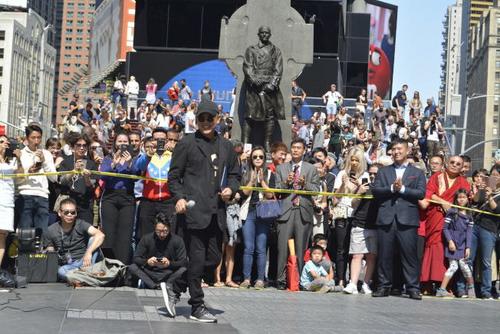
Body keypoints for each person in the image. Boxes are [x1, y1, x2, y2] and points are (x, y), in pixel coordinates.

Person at [169, 100, 241, 323]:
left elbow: (235, 174)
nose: (206, 122)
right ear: (196, 120)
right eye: (202, 118)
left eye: (210, 118)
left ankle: (177, 284)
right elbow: (173, 176)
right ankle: (196, 306)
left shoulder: (226, 146)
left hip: (216, 212)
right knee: (198, 259)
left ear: (217, 119)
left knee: (212, 259)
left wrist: (231, 188)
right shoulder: (187, 143)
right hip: (194, 211)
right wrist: (179, 198)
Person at [372, 138, 426, 300]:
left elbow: (421, 193)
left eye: (399, 149)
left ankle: (413, 288)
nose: (396, 152)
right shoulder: (383, 171)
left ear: (407, 150)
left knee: (410, 255)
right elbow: (376, 191)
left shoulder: (417, 173)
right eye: (393, 149)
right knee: (384, 255)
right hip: (386, 217)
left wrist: (402, 189)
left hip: (407, 219)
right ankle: (383, 286)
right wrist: (391, 188)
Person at [274, 138, 320, 290]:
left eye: (298, 148)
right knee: (282, 248)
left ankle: (298, 279)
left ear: (304, 150)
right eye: (293, 147)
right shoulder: (281, 168)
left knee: (301, 248)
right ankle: (280, 279)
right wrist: (286, 183)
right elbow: (276, 189)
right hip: (286, 211)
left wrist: (304, 184)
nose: (295, 150)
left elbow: (316, 190)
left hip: (303, 211)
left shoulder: (311, 169)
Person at [420, 156, 470, 292]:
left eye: (458, 164)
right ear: (447, 163)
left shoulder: (464, 183)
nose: (454, 165)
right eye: (452, 162)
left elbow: (465, 200)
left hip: (454, 221)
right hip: (436, 216)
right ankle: (427, 283)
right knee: (434, 247)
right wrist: (442, 201)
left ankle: (446, 285)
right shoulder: (437, 176)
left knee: (449, 251)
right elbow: (429, 192)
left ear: (462, 167)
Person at [129, 213, 187, 317]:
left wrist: (169, 263)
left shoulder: (177, 240)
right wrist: (147, 261)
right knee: (132, 267)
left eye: (165, 231)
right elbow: (136, 258)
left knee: (184, 269)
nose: (161, 234)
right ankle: (155, 286)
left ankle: (167, 285)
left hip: (169, 273)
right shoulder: (147, 238)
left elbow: (183, 261)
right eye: (158, 231)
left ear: (169, 228)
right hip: (150, 272)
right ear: (154, 228)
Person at [242, 26, 285, 151]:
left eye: (267, 33)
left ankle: (267, 143)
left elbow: (278, 69)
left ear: (270, 35)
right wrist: (254, 79)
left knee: (270, 116)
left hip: (269, 88)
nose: (265, 35)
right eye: (262, 33)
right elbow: (247, 66)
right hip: (254, 88)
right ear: (258, 34)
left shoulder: (276, 51)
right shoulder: (251, 50)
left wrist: (272, 84)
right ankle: (245, 144)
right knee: (249, 115)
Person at [331, 147, 368, 288]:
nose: (353, 163)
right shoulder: (341, 174)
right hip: (341, 213)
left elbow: (364, 197)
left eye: (356, 160)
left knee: (356, 251)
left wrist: (358, 188)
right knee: (341, 248)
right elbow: (334, 200)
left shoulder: (364, 175)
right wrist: (342, 185)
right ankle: (341, 279)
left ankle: (353, 279)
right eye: (351, 159)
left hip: (357, 215)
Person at [43, 198, 105, 281]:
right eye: (66, 212)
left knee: (94, 238)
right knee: (61, 271)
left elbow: (100, 235)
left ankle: (82, 275)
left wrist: (88, 252)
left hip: (86, 261)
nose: (70, 215)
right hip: (68, 265)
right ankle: (86, 276)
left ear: (76, 213)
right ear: (59, 213)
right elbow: (50, 252)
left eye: (73, 212)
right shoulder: (51, 230)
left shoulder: (81, 224)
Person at [239, 146, 275, 289]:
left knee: (261, 247)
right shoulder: (246, 173)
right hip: (248, 212)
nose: (258, 159)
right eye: (255, 157)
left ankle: (260, 279)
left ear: (264, 159)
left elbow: (270, 195)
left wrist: (262, 182)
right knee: (248, 247)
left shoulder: (270, 174)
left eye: (260, 157)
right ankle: (246, 278)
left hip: (264, 212)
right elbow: (244, 193)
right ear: (251, 159)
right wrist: (252, 181)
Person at [133, 128, 178, 238]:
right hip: (149, 201)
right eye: (156, 139)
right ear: (152, 140)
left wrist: (175, 151)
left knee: (169, 234)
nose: (159, 142)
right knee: (146, 234)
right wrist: (148, 156)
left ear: (167, 140)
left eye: (162, 139)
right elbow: (138, 167)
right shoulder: (146, 156)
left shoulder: (173, 155)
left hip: (168, 201)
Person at [343, 163, 380, 295]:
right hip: (359, 224)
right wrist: (359, 192)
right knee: (357, 255)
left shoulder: (383, 189)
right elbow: (353, 204)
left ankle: (366, 283)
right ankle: (353, 283)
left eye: (375, 174)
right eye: (371, 173)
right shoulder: (362, 186)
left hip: (375, 226)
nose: (372, 176)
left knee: (371, 256)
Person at [99, 133, 137, 264]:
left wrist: (129, 164)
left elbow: (136, 175)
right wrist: (114, 165)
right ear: (115, 143)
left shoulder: (133, 159)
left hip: (127, 197)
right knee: (108, 234)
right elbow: (102, 176)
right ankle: (108, 265)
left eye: (125, 141)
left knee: (125, 236)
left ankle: (123, 267)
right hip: (110, 196)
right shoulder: (108, 158)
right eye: (119, 141)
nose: (122, 144)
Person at [435, 189, 475, 298]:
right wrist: (450, 241)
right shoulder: (452, 212)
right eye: (459, 197)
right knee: (453, 266)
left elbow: (469, 233)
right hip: (453, 244)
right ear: (456, 199)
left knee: (464, 266)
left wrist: (468, 247)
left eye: (463, 197)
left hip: (463, 245)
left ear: (468, 199)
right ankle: (442, 290)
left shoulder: (469, 214)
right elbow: (445, 229)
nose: (461, 200)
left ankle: (471, 289)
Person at [17, 124, 57, 232]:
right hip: (25, 194)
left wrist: (44, 161)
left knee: (42, 232)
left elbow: (54, 178)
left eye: (39, 137)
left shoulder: (46, 154)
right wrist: (28, 172)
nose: (36, 141)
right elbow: (16, 179)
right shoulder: (20, 154)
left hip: (42, 195)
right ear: (27, 138)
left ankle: (40, 249)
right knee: (25, 233)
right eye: (33, 138)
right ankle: (25, 249)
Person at [468, 164, 500, 299]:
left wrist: (490, 197)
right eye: (491, 175)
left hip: (490, 228)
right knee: (469, 259)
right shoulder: (486, 188)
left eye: (496, 176)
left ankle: (486, 291)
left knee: (486, 261)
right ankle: (466, 288)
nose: (493, 178)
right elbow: (475, 202)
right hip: (476, 225)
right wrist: (480, 191)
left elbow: (497, 210)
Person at [58, 134, 97, 224]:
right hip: (68, 203)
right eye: (78, 145)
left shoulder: (91, 164)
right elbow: (62, 181)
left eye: (84, 145)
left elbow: (92, 185)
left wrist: (86, 178)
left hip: (85, 204)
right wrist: (73, 171)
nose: (82, 148)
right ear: (73, 147)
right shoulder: (66, 162)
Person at [0, 136, 22, 266]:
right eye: (1, 142)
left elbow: (20, 175)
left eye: (6, 142)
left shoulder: (10, 162)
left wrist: (19, 158)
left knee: (2, 236)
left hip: (7, 202)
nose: (5, 144)